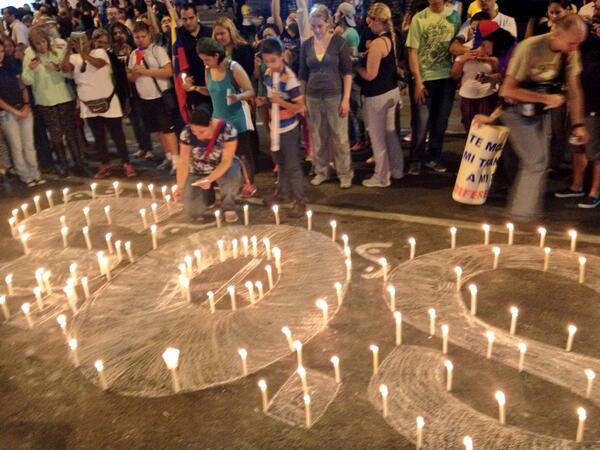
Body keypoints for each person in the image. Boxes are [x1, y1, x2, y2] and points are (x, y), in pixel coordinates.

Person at [499, 14, 589, 222]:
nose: (575, 48)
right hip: (514, 110)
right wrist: (545, 97)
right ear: (556, 33)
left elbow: (575, 90)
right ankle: (521, 216)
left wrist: (578, 124)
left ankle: (526, 211)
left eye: (579, 44)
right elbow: (507, 90)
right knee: (535, 161)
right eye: (572, 43)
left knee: (541, 160)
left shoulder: (570, 52)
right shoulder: (529, 48)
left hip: (539, 111)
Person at [185, 38, 256, 195]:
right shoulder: (208, 69)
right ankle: (229, 184)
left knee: (243, 153)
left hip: (237, 117)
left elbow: (250, 91)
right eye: (203, 59)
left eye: (207, 59)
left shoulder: (233, 68)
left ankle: (249, 183)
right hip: (218, 119)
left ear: (217, 55)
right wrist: (194, 88)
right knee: (223, 155)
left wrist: (237, 97)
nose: (205, 62)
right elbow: (211, 91)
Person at [62, 30, 137, 179]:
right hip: (89, 105)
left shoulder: (100, 52)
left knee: (118, 135)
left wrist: (83, 52)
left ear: (89, 41)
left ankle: (126, 163)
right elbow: (65, 69)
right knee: (99, 136)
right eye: (77, 40)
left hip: (108, 102)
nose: (80, 43)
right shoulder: (73, 57)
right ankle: (104, 165)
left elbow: (98, 64)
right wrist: (69, 50)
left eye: (83, 40)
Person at [299, 4, 353, 188]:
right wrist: (302, 100)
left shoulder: (339, 43)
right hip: (313, 97)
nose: (316, 30)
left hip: (334, 96)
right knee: (318, 136)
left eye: (319, 26)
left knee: (340, 137)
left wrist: (346, 98)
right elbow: (302, 75)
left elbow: (347, 72)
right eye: (313, 26)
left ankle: (345, 173)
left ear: (328, 23)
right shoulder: (306, 45)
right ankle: (322, 170)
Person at [22, 26, 87, 177]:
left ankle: (78, 163)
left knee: (70, 132)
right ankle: (63, 165)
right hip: (45, 101)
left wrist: (58, 68)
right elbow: (26, 81)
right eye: (37, 44)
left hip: (64, 97)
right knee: (56, 134)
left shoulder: (57, 50)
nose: (41, 46)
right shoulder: (29, 55)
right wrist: (30, 69)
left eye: (43, 42)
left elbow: (71, 74)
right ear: (32, 44)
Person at [406, 0, 461, 175]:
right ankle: (415, 158)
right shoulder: (419, 18)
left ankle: (434, 157)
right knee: (421, 122)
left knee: (440, 122)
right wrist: (418, 81)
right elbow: (412, 52)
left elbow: (458, 44)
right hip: (426, 78)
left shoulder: (454, 17)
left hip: (446, 78)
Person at [355, 2, 404, 187]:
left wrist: (356, 66)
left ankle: (381, 177)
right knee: (390, 135)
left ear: (378, 20)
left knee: (377, 137)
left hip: (377, 96)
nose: (368, 24)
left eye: (370, 21)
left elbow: (370, 74)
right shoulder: (389, 39)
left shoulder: (377, 43)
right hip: (391, 92)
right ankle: (397, 169)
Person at [554, 11, 600, 208]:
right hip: (577, 106)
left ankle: (594, 192)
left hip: (594, 106)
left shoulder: (596, 47)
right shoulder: (573, 48)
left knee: (595, 152)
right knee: (577, 148)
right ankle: (576, 185)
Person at [258, 37, 307, 217]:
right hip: (275, 125)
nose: (270, 65)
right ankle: (282, 193)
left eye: (273, 60)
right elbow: (272, 98)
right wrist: (265, 101)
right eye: (266, 61)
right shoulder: (268, 74)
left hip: (288, 128)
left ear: (281, 56)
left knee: (292, 165)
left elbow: (301, 108)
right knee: (280, 162)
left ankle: (300, 201)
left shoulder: (290, 78)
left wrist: (280, 102)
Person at [127, 21, 179, 174]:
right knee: (158, 130)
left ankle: (176, 159)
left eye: (143, 36)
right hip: (144, 98)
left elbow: (169, 71)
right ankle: (168, 156)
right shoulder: (133, 54)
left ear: (149, 35)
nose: (140, 40)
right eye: (137, 37)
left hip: (160, 96)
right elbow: (130, 76)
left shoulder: (158, 50)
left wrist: (146, 71)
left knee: (168, 130)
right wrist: (135, 73)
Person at [175, 106, 242, 222]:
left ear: (210, 123)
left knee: (232, 175)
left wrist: (210, 179)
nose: (198, 136)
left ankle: (228, 206)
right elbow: (183, 161)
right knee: (193, 211)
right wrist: (180, 187)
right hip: (198, 169)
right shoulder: (186, 132)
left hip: (222, 167)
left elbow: (226, 160)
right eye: (194, 132)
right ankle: (208, 196)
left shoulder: (227, 130)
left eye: (201, 131)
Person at [0, 40, 45, 187]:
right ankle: (25, 176)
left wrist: (26, 105)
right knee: (16, 146)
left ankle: (35, 174)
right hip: (7, 114)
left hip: (23, 108)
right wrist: (15, 112)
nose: (0, 54)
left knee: (29, 144)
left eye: (1, 51)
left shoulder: (10, 66)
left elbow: (22, 86)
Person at [450, 0, 517, 56]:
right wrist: (477, 51)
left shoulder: (507, 21)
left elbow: (509, 50)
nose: (483, 0)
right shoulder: (470, 22)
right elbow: (454, 48)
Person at [212, 17, 255, 89]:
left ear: (231, 32)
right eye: (217, 34)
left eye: (222, 33)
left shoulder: (244, 48)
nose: (219, 37)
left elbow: (249, 72)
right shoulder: (217, 51)